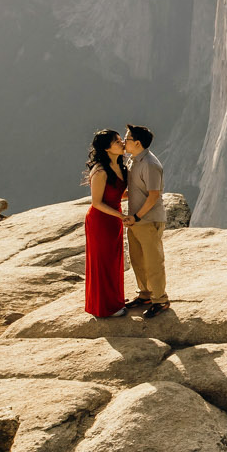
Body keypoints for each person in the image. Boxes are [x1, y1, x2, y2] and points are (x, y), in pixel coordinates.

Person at [121, 123, 170, 315]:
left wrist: (136, 217)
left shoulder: (150, 164)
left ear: (138, 143)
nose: (124, 142)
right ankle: (145, 294)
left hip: (148, 219)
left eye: (128, 139)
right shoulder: (134, 161)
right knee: (138, 260)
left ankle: (160, 300)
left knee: (153, 261)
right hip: (136, 220)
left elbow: (153, 195)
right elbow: (135, 191)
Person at [82, 128, 129, 317]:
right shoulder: (100, 171)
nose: (122, 143)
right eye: (117, 141)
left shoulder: (120, 166)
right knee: (102, 262)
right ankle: (103, 308)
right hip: (100, 221)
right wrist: (121, 216)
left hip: (114, 219)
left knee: (114, 261)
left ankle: (115, 301)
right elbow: (97, 202)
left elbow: (118, 193)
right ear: (107, 148)